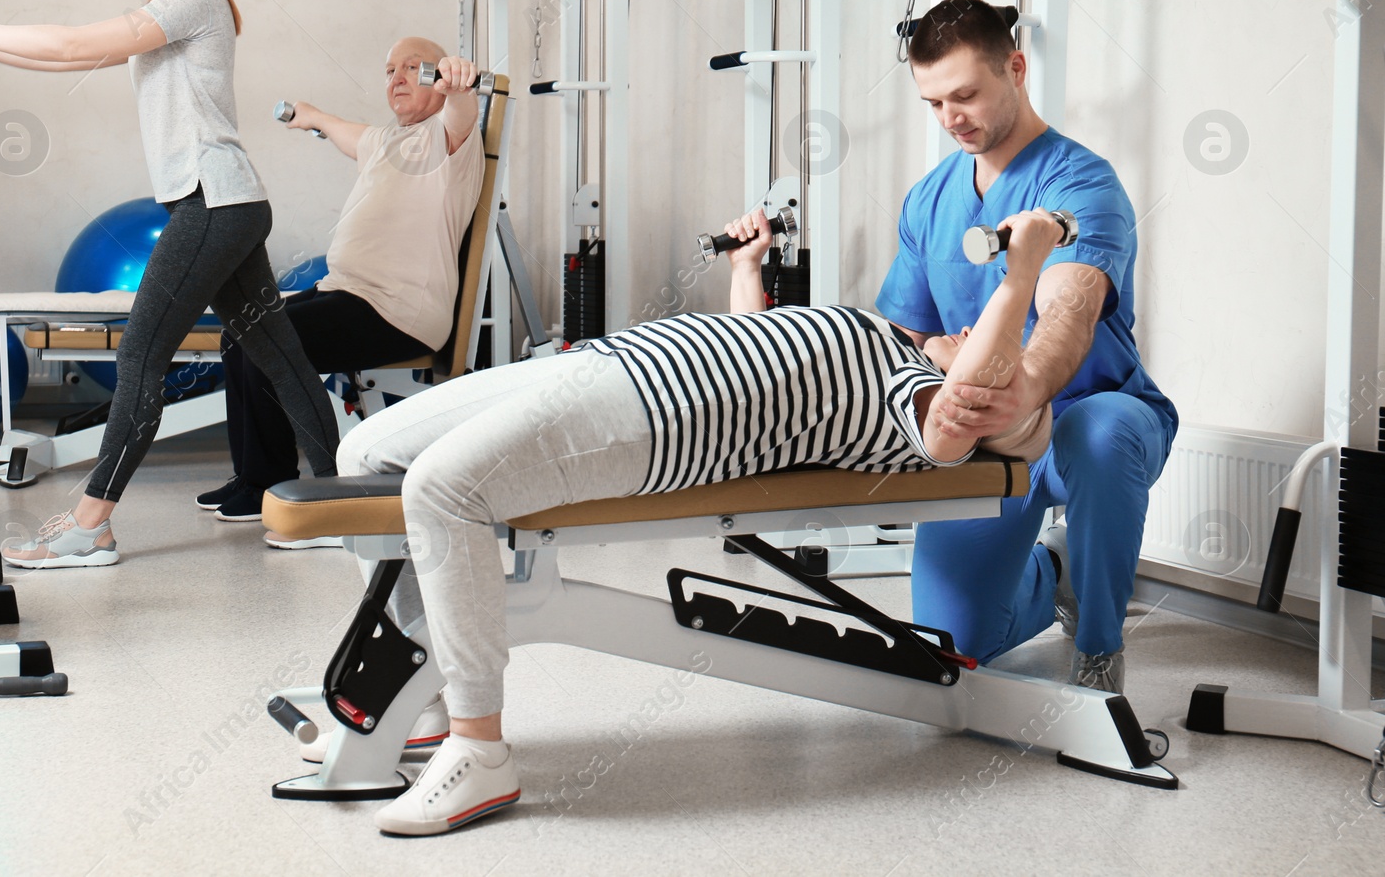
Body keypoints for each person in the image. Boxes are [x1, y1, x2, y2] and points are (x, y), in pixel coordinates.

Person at [332, 210, 1067, 837]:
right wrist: (749, 269)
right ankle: (417, 694)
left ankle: (479, 746)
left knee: (442, 488)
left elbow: (957, 415)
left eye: (987, 345)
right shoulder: (883, 341)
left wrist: (1021, 273)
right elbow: (757, 356)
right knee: (363, 451)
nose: (967, 329)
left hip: (650, 417)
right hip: (609, 360)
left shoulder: (918, 397)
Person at [0, 0, 342, 568]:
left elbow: (73, 42)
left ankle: (92, 524)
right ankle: (339, 503)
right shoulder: (178, 3)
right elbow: (65, 60)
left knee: (141, 355)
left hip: (215, 200)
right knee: (281, 358)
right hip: (225, 202)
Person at [873, 0, 1178, 692]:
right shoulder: (928, 200)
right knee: (955, 646)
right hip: (989, 434)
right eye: (934, 103)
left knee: (1101, 433)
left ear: (1015, 67)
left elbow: (1065, 322)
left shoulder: (1081, 183)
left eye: (966, 94)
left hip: (1084, 415)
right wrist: (944, 364)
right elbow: (903, 340)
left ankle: (1099, 650)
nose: (951, 118)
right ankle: (1059, 573)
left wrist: (1016, 383)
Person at [198, 39, 484, 524]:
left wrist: (460, 84)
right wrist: (312, 116)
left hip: (395, 310)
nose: (396, 77)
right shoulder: (388, 141)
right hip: (347, 292)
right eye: (390, 68)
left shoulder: (447, 138)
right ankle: (250, 476)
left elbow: (462, 111)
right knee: (236, 335)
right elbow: (346, 132)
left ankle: (271, 483)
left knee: (263, 341)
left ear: (438, 78)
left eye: (413, 68)